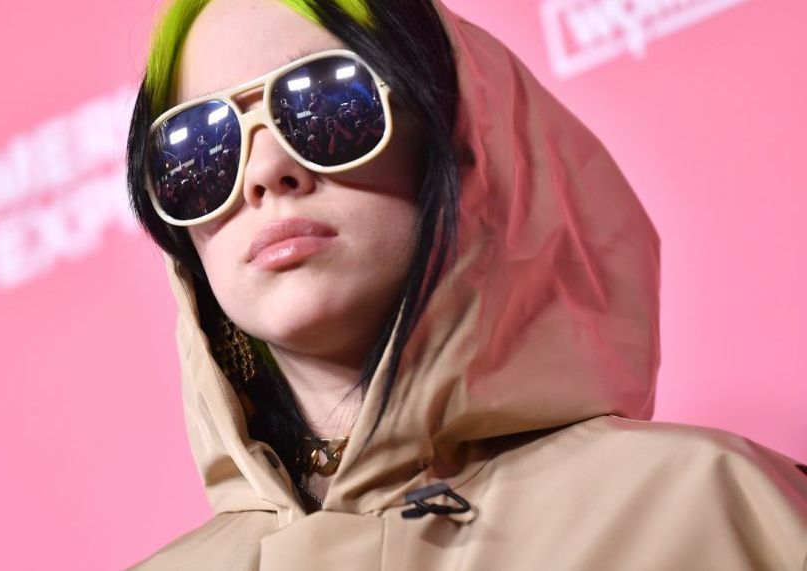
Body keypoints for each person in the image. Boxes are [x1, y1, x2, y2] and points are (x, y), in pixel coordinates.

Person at [125, 0, 807, 569]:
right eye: (198, 149)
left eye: (328, 103)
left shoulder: (710, 506)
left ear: (458, 136)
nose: (264, 171)